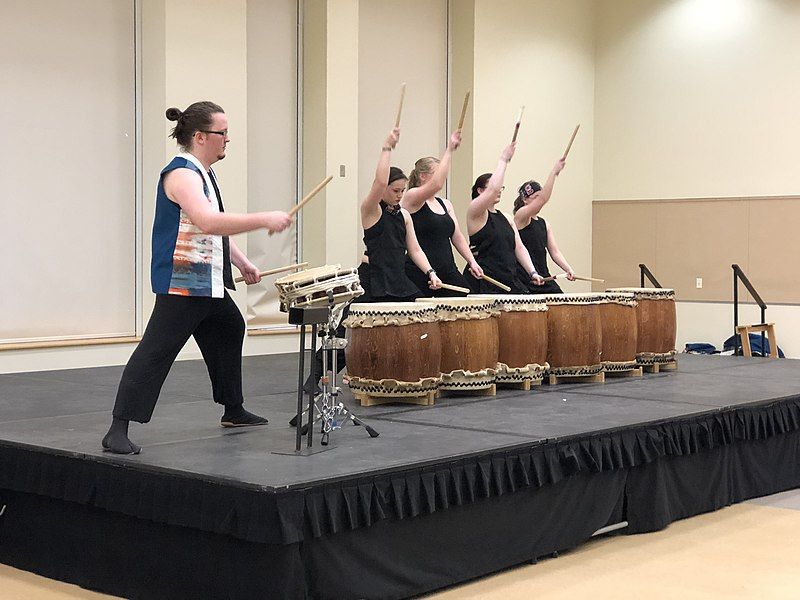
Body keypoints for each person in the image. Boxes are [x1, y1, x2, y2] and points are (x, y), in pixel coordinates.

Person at [102, 101, 293, 455]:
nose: (227, 140)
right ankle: (117, 428)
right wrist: (264, 218)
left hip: (206, 280)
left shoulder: (205, 173)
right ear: (201, 136)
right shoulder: (182, 175)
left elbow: (213, 230)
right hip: (183, 281)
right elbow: (208, 221)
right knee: (157, 351)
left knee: (230, 327)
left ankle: (233, 409)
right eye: (223, 133)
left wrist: (242, 262)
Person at [302, 127, 441, 395]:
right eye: (395, 190)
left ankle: (400, 375)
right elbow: (377, 185)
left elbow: (415, 250)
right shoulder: (371, 210)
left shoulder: (404, 216)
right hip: (372, 278)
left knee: (415, 323)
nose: (400, 195)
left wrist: (431, 272)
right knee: (344, 332)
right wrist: (386, 148)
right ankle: (317, 376)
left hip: (398, 279)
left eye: (403, 190)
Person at [400, 130, 483, 296]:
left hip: (447, 269)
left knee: (470, 304)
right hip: (421, 272)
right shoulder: (412, 197)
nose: (443, 177)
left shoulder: (445, 204)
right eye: (438, 172)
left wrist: (472, 261)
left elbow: (457, 237)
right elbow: (437, 184)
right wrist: (450, 149)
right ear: (423, 176)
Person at [463, 142, 544, 293]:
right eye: (494, 187)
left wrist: (532, 271)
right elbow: (493, 190)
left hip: (508, 279)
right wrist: (503, 160)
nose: (499, 190)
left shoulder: (506, 218)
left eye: (502, 187)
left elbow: (519, 247)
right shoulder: (475, 213)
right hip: (484, 281)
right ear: (480, 191)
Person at [513, 158, 575, 294]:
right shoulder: (521, 217)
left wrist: (568, 269)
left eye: (539, 196)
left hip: (544, 277)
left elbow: (555, 252)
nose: (538, 201)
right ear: (524, 199)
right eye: (534, 197)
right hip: (526, 279)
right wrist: (554, 172)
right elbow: (543, 199)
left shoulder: (544, 223)